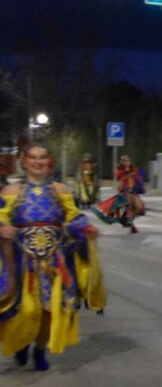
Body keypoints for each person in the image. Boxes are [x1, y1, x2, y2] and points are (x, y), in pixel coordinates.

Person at [0, 143, 106, 371]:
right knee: (25, 310)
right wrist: (2, 228)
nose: (38, 162)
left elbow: (74, 217)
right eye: (32, 158)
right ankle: (22, 344)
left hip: (54, 260)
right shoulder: (11, 192)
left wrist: (85, 229)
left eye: (42, 157)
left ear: (49, 161)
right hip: (22, 261)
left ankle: (40, 350)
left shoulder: (61, 190)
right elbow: (1, 217)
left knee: (51, 310)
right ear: (24, 161)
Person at [94, 155, 146, 233]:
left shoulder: (134, 169)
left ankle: (130, 221)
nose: (126, 162)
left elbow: (138, 178)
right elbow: (118, 178)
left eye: (128, 160)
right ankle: (131, 225)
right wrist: (126, 176)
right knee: (129, 208)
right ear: (122, 162)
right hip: (125, 192)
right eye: (124, 161)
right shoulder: (120, 170)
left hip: (134, 191)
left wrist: (140, 182)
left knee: (138, 207)